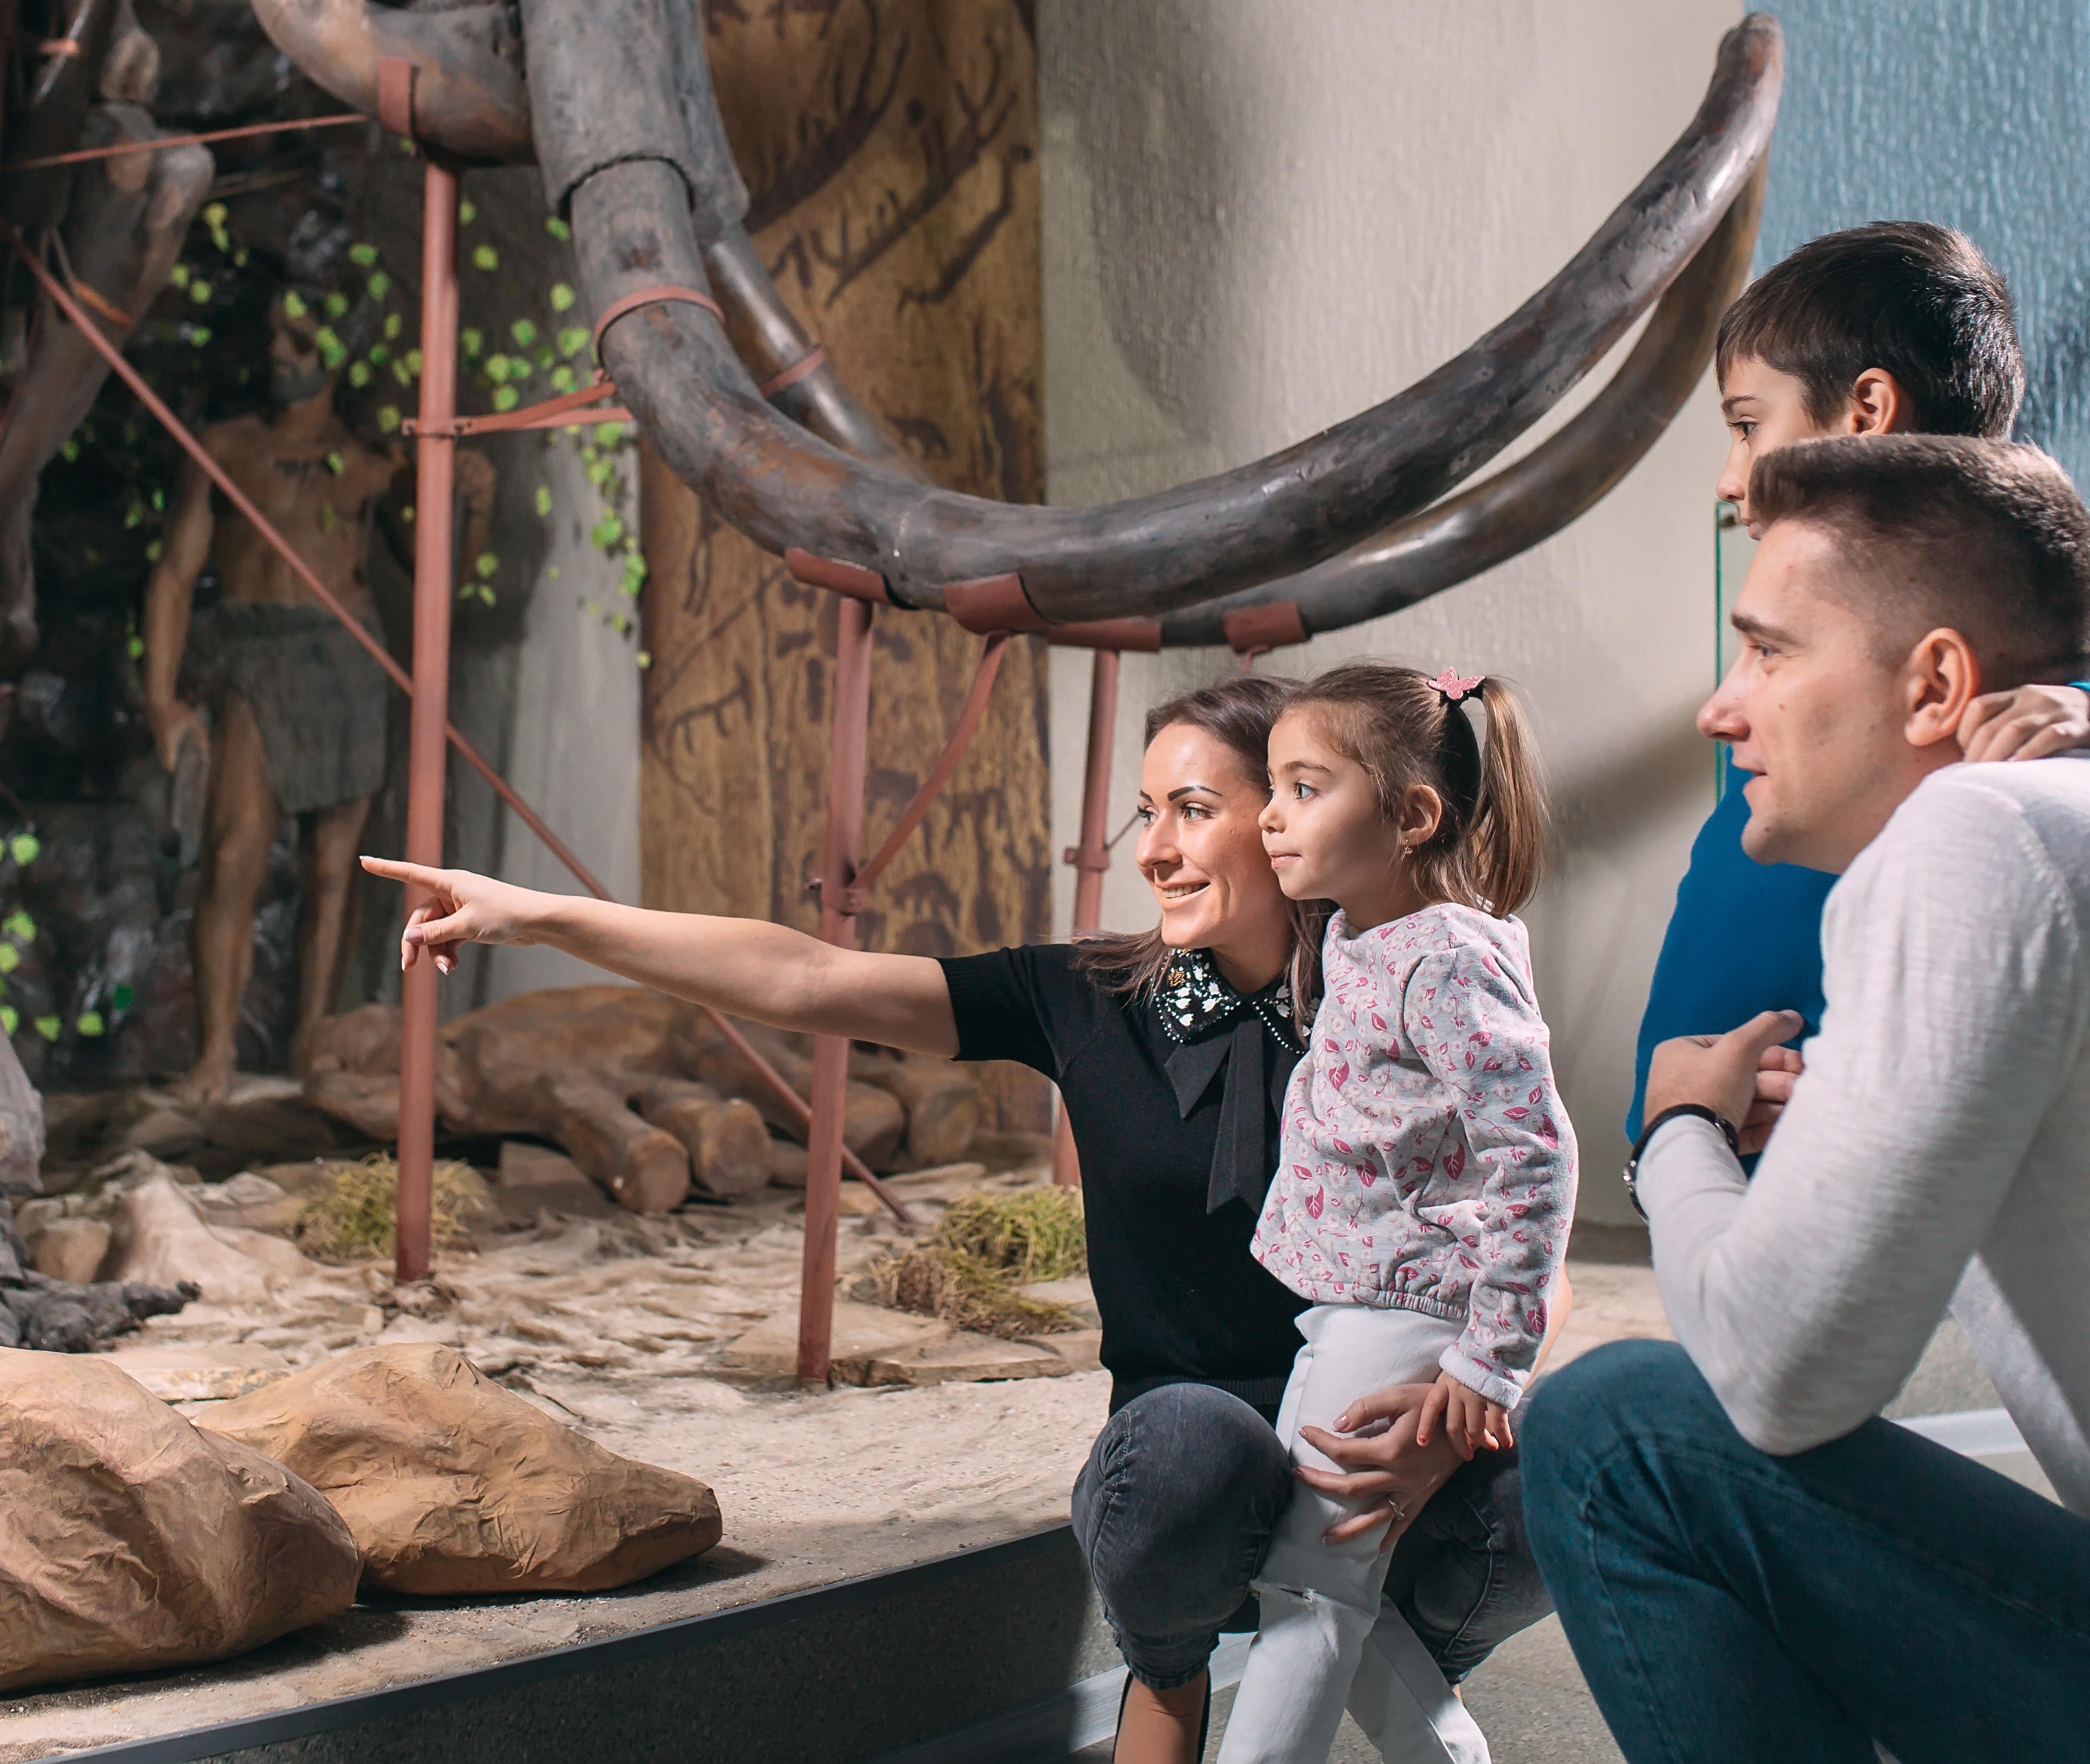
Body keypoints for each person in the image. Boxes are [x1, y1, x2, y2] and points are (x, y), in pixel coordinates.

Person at [362, 674, 1563, 1764]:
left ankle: (1404, 1668)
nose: (1157, 850)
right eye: (1144, 815)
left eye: (1195, 809)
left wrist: (1461, 1416)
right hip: (1194, 1466)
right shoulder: (1087, 997)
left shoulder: (1397, 982)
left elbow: (1523, 1202)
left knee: (1553, 1476)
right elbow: (809, 978)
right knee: (1194, 1450)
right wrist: (542, 916)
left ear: (1299, 811)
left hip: (1383, 1432)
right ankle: (1175, 1671)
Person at [1523, 434, 2090, 1762]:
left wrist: (1675, 1136)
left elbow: (1787, 1379)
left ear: (1936, 681)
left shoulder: (1975, 835)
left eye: (1769, 652)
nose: (1723, 710)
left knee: (1610, 1436)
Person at [1628, 221, 2090, 1141]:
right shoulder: (1777, 605)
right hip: (1709, 1150)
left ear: (1868, 411)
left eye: (1749, 425)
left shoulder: (2039, 656)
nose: (1730, 478)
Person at [1215, 665, 1575, 1764]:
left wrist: (1488, 1360)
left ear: (1411, 816)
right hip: (1357, 1305)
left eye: (1306, 787)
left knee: (1310, 1591)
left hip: (1407, 1308)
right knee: (1319, 1579)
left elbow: (1535, 1153)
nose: (1271, 816)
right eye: (1271, 786)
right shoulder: (1357, 937)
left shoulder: (1450, 955)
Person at [143, 287, 491, 1100]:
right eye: (273, 333)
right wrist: (162, 698)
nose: (280, 352)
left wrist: (477, 508)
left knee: (336, 870)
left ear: (338, 355)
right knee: (233, 853)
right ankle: (216, 1054)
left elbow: (438, 576)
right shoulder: (226, 448)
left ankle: (310, 1050)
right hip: (256, 654)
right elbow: (171, 576)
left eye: (300, 338)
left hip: (346, 659)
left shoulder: (376, 462)